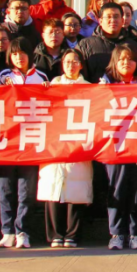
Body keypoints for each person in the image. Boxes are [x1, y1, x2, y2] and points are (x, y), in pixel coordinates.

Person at [99, 45, 137, 250]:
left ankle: (134, 233)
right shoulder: (105, 83)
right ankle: (116, 233)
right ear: (114, 62)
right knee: (117, 189)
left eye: (130, 59)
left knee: (136, 191)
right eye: (121, 59)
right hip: (114, 146)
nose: (126, 62)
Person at [0, 38, 47, 248]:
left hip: (31, 141)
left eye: (22, 53)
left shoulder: (41, 77)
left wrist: (47, 90)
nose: (19, 57)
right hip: (6, 142)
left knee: (26, 190)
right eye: (15, 54)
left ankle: (22, 230)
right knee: (5, 188)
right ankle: (7, 230)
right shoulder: (3, 77)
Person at [38, 50, 93, 247]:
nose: (71, 65)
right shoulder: (52, 86)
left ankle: (72, 234)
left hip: (78, 145)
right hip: (54, 145)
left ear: (81, 65)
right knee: (53, 189)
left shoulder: (89, 88)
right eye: (67, 62)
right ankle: (55, 234)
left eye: (75, 61)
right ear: (62, 64)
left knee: (76, 189)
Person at [76, 2, 137, 83]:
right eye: (108, 17)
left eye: (116, 17)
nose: (113, 20)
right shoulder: (85, 45)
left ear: (122, 20)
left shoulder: (133, 46)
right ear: (100, 21)